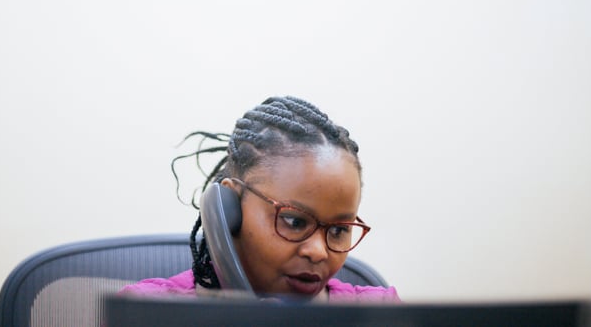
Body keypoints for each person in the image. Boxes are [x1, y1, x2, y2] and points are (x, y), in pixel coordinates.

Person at [119, 95, 399, 303]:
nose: (318, 252)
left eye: (339, 230)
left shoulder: (379, 311)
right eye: (294, 221)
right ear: (229, 211)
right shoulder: (146, 312)